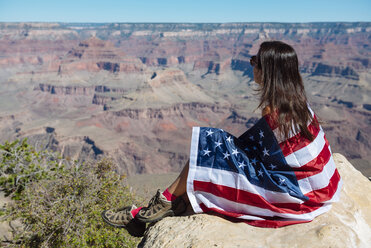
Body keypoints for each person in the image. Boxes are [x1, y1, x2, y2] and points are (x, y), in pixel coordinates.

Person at [101, 41, 342, 236]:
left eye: (256, 61)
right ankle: (152, 210)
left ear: (269, 70)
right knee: (215, 154)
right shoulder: (296, 101)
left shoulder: (275, 109)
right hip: (316, 187)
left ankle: (158, 205)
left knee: (210, 144)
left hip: (299, 194)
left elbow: (272, 160)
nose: (252, 65)